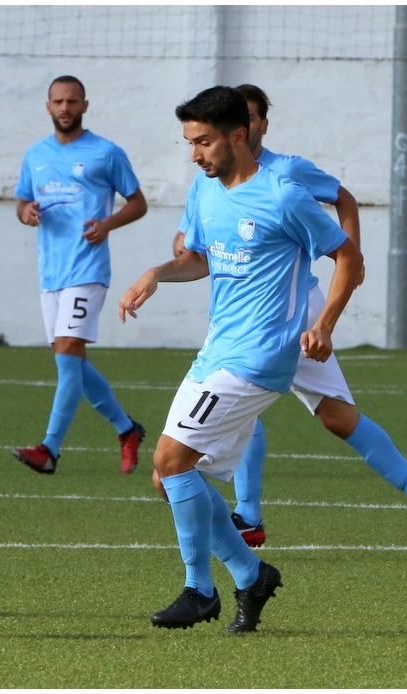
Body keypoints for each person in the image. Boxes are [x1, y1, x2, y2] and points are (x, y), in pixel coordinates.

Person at [118, 86, 364, 633]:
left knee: (170, 458)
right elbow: (200, 260)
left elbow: (349, 257)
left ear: (238, 136)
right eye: (189, 142)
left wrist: (324, 324)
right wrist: (157, 273)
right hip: (217, 351)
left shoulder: (284, 195)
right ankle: (250, 575)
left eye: (203, 142)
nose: (194, 154)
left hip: (260, 357)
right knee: (168, 477)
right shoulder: (206, 191)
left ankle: (199, 590)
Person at [175, 84, 407, 554]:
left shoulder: (286, 174)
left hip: (292, 310)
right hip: (242, 316)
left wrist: (350, 257)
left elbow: (343, 199)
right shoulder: (210, 178)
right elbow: (194, 243)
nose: (246, 124)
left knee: (301, 409)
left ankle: (248, 520)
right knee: (312, 412)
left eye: (252, 116)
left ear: (256, 126)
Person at [12, 75, 148, 475]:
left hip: (87, 269)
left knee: (68, 356)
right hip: (50, 272)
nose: (65, 108)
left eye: (72, 101)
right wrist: (25, 212)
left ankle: (49, 449)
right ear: (48, 106)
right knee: (71, 362)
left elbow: (138, 203)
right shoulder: (35, 155)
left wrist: (107, 224)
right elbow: (22, 202)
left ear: (85, 106)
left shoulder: (106, 152)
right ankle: (127, 429)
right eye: (58, 101)